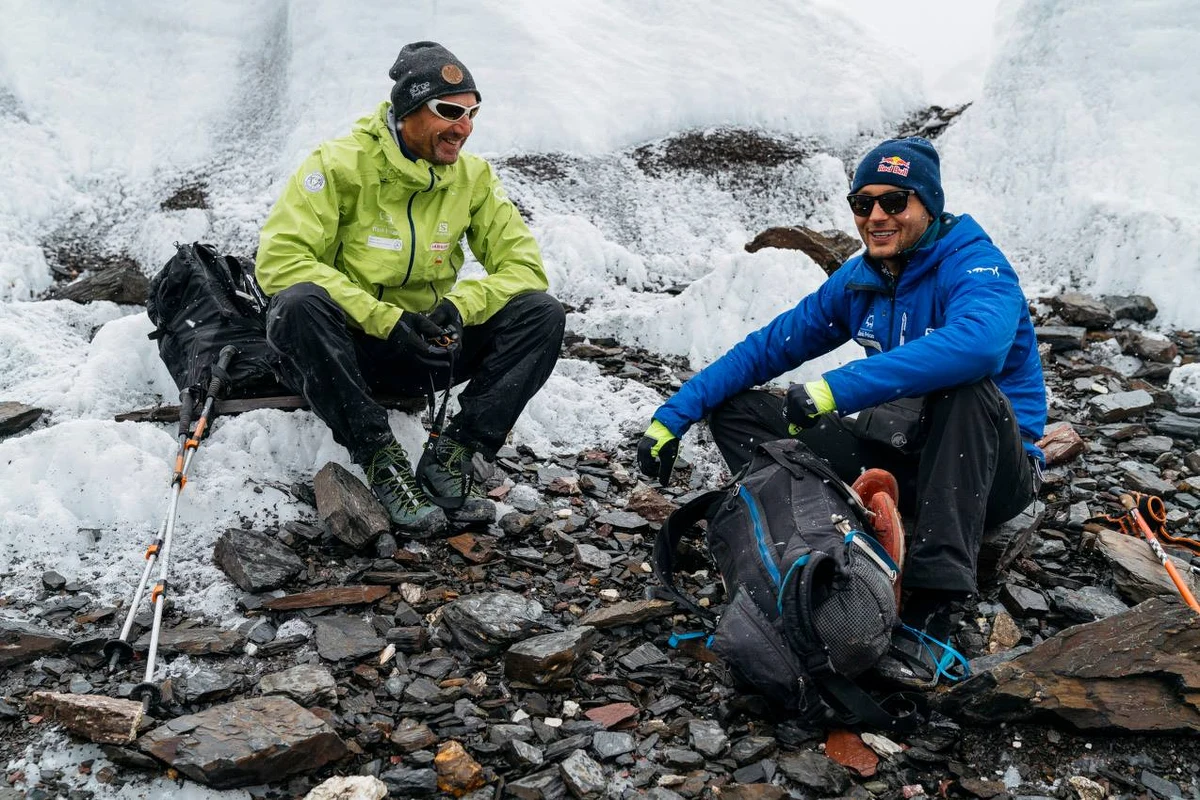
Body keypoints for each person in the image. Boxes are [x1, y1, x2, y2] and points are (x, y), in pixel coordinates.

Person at [636, 137, 1046, 689]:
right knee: (739, 412)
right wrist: (674, 415)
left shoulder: (975, 265)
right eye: (863, 203)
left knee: (965, 387)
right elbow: (767, 348)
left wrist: (834, 390)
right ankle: (811, 542)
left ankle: (932, 606)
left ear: (930, 205)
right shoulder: (863, 279)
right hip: (901, 456)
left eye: (895, 202)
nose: (876, 216)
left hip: (991, 469)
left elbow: (980, 346)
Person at [256, 41, 564, 537]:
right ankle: (382, 459)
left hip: (424, 348)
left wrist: (458, 308)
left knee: (541, 313)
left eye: (471, 113)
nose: (463, 128)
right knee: (296, 305)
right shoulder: (338, 165)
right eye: (448, 111)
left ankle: (456, 452)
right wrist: (385, 319)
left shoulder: (474, 178)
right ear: (407, 111)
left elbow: (525, 267)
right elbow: (280, 261)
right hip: (346, 355)